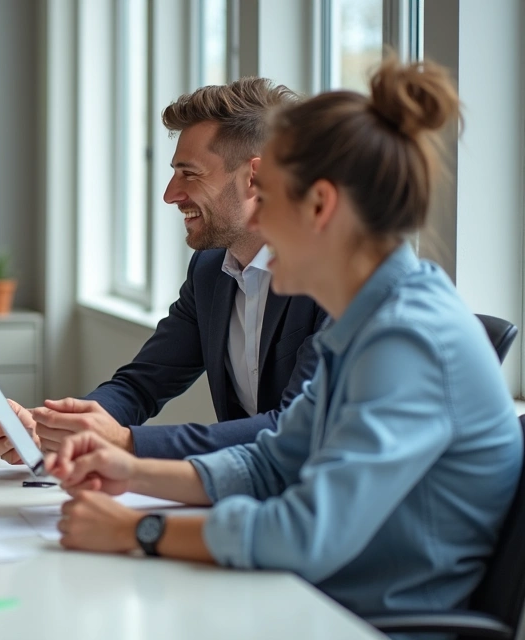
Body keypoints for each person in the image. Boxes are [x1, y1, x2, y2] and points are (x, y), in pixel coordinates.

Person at [45, 58, 522, 623]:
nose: (259, 230)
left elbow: (306, 532)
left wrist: (140, 528)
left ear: (319, 206)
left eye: (266, 201)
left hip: (364, 620)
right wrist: (132, 471)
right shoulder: (366, 322)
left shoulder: (408, 339)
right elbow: (272, 465)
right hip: (313, 596)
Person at [0, 77, 328, 464]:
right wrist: (56, 427)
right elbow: (141, 385)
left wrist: (128, 444)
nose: (170, 194)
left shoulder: (330, 278)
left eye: (190, 174)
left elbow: (293, 427)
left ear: (255, 177)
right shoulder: (211, 270)